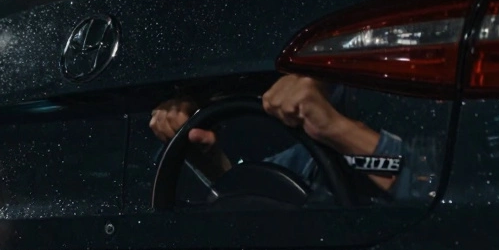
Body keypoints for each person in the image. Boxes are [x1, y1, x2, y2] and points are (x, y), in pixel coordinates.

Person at [149, 74, 406, 196]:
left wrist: (336, 128)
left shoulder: (405, 110)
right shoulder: (305, 159)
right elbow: (264, 201)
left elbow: (421, 186)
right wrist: (208, 161)